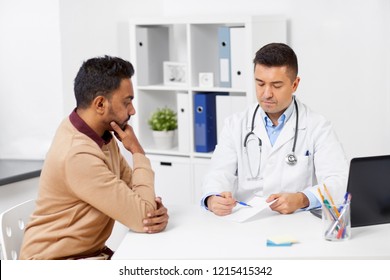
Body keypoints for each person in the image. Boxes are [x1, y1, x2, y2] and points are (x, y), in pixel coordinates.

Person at [20, 56, 169, 259]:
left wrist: (152, 209)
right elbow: (143, 216)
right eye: (127, 102)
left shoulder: (100, 135)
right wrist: (137, 152)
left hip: (86, 256)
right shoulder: (77, 154)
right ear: (100, 104)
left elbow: (135, 195)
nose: (132, 110)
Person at [201, 43, 348, 216]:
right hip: (246, 222)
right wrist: (212, 198)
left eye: (276, 85)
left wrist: (303, 198)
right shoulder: (236, 124)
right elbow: (217, 174)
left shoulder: (318, 126)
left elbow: (340, 181)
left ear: (295, 85)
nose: (266, 93)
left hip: (296, 222)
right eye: (260, 83)